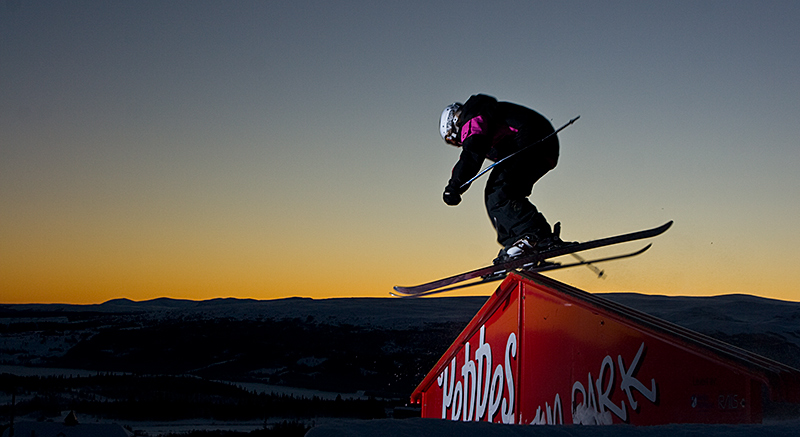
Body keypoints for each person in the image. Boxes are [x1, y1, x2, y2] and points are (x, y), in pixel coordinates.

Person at [439, 94, 570, 264]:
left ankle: (532, 236)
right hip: (543, 147)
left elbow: (472, 151)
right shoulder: (486, 119)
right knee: (503, 192)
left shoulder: (473, 115)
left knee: (499, 191)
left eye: (452, 139)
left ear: (453, 123)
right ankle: (521, 244)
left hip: (532, 141)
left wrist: (454, 185)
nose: (457, 143)